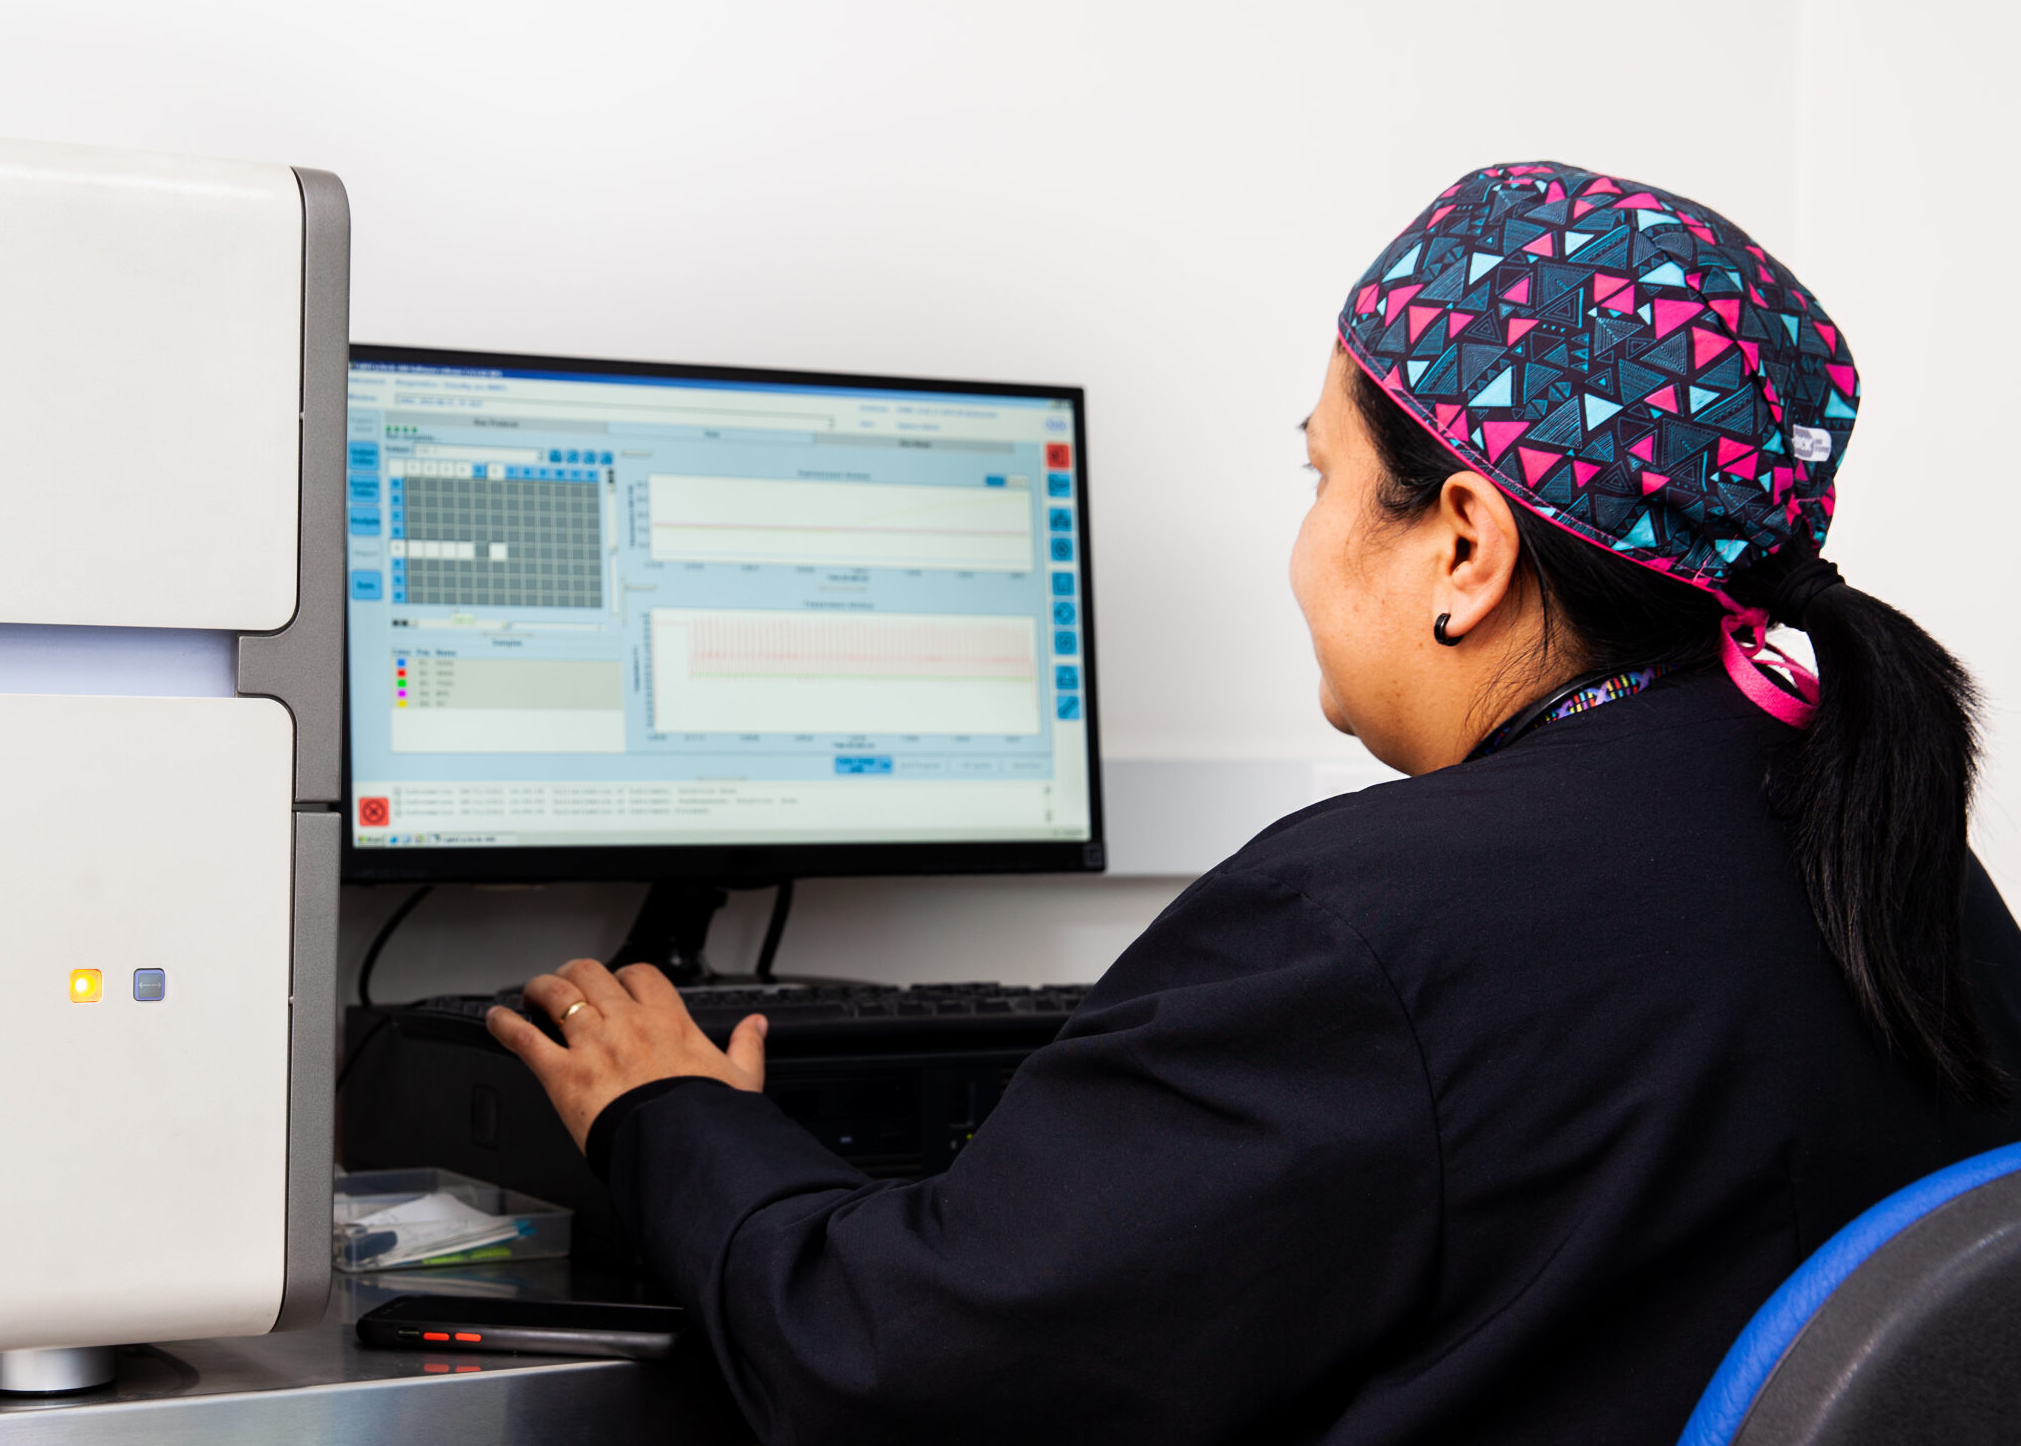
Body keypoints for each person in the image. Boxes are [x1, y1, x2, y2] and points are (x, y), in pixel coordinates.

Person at [485, 163, 2021, 1445]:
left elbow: (887, 1367)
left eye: (1324, 478)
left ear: (1465, 546)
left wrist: (666, 1116)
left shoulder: (1368, 927)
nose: (1303, 547)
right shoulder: (1902, 859)